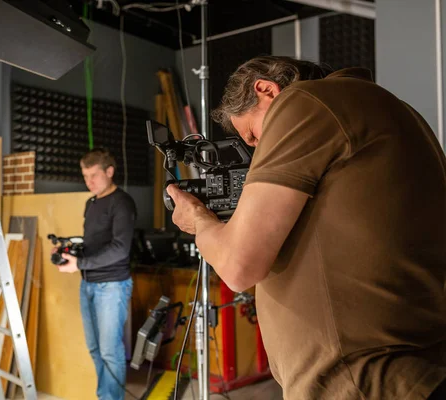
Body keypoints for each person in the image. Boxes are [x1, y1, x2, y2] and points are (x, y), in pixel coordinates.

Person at [166, 56, 446, 399]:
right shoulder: (398, 110)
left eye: (252, 135)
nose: (256, 150)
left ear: (267, 90)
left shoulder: (305, 102)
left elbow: (239, 267)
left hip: (360, 382)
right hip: (406, 374)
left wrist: (197, 220)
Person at [54, 148, 136, 400]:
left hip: (112, 287)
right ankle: (106, 397)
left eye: (93, 175)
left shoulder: (122, 202)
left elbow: (120, 249)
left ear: (109, 172)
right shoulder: (91, 203)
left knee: (110, 351)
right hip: (88, 284)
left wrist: (78, 264)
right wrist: (67, 247)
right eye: (85, 176)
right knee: (95, 349)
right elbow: (94, 243)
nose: (88, 182)